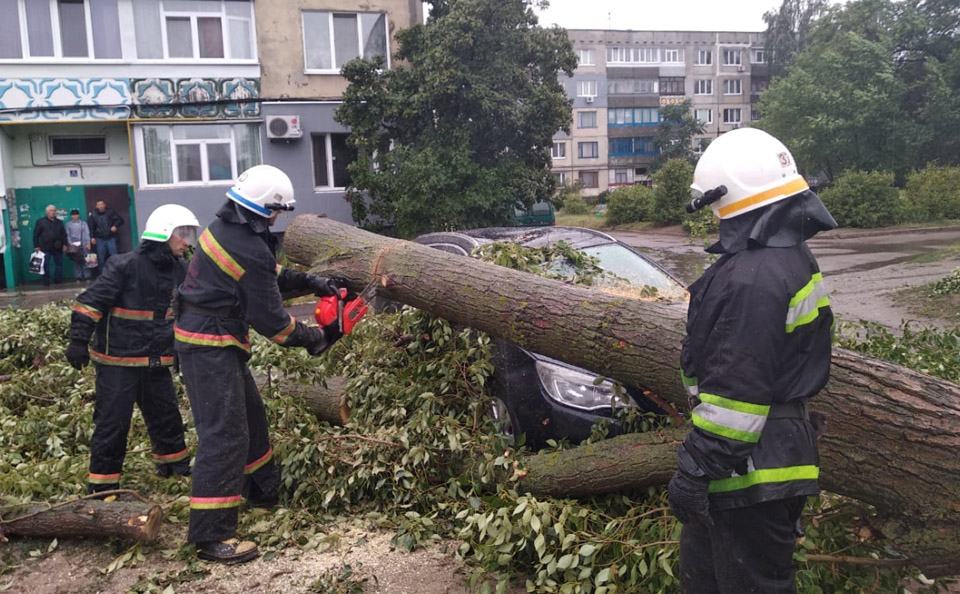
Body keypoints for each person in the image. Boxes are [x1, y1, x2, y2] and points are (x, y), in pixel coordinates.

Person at [667, 128, 837, 594]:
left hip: (749, 472)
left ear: (728, 196)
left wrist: (694, 469)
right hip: (765, 463)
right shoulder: (789, 256)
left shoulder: (752, 278)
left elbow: (737, 396)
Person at [174, 164, 345, 565]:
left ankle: (262, 490)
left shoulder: (229, 230)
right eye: (276, 211)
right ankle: (212, 535)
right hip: (207, 342)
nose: (277, 218)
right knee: (225, 433)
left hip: (215, 338)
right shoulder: (246, 244)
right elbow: (276, 325)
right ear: (262, 208)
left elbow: (268, 272)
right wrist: (318, 338)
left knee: (250, 416)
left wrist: (313, 282)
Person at [66, 204, 201, 495]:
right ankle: (103, 486)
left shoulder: (181, 269)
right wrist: (78, 340)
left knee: (167, 417)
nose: (188, 241)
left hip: (155, 361)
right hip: (118, 363)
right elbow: (91, 303)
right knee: (112, 424)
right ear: (164, 234)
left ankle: (174, 468)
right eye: (182, 234)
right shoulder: (123, 265)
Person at [33, 204, 68, 286]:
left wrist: (65, 244)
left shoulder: (59, 222)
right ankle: (46, 281)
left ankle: (58, 280)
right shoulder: (41, 222)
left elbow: (63, 234)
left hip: (57, 246)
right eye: (51, 210)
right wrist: (36, 245)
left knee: (59, 264)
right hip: (45, 247)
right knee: (45, 265)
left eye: (54, 210)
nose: (53, 212)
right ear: (47, 212)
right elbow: (36, 235)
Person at [88, 200, 124, 276]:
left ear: (105, 205)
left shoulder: (110, 212)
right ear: (96, 206)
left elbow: (120, 220)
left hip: (110, 237)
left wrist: (115, 225)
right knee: (101, 258)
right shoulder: (93, 215)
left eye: (102, 204)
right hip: (100, 238)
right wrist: (92, 237)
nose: (100, 206)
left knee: (114, 256)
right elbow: (91, 226)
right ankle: (102, 274)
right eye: (98, 205)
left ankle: (117, 273)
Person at [65, 209, 93, 282]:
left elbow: (87, 233)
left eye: (76, 215)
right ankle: (78, 277)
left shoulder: (83, 223)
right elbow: (67, 235)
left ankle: (87, 276)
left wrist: (88, 243)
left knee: (87, 259)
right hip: (74, 245)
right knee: (76, 260)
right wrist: (70, 243)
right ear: (71, 216)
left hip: (84, 243)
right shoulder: (68, 224)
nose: (75, 216)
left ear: (79, 215)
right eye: (73, 215)